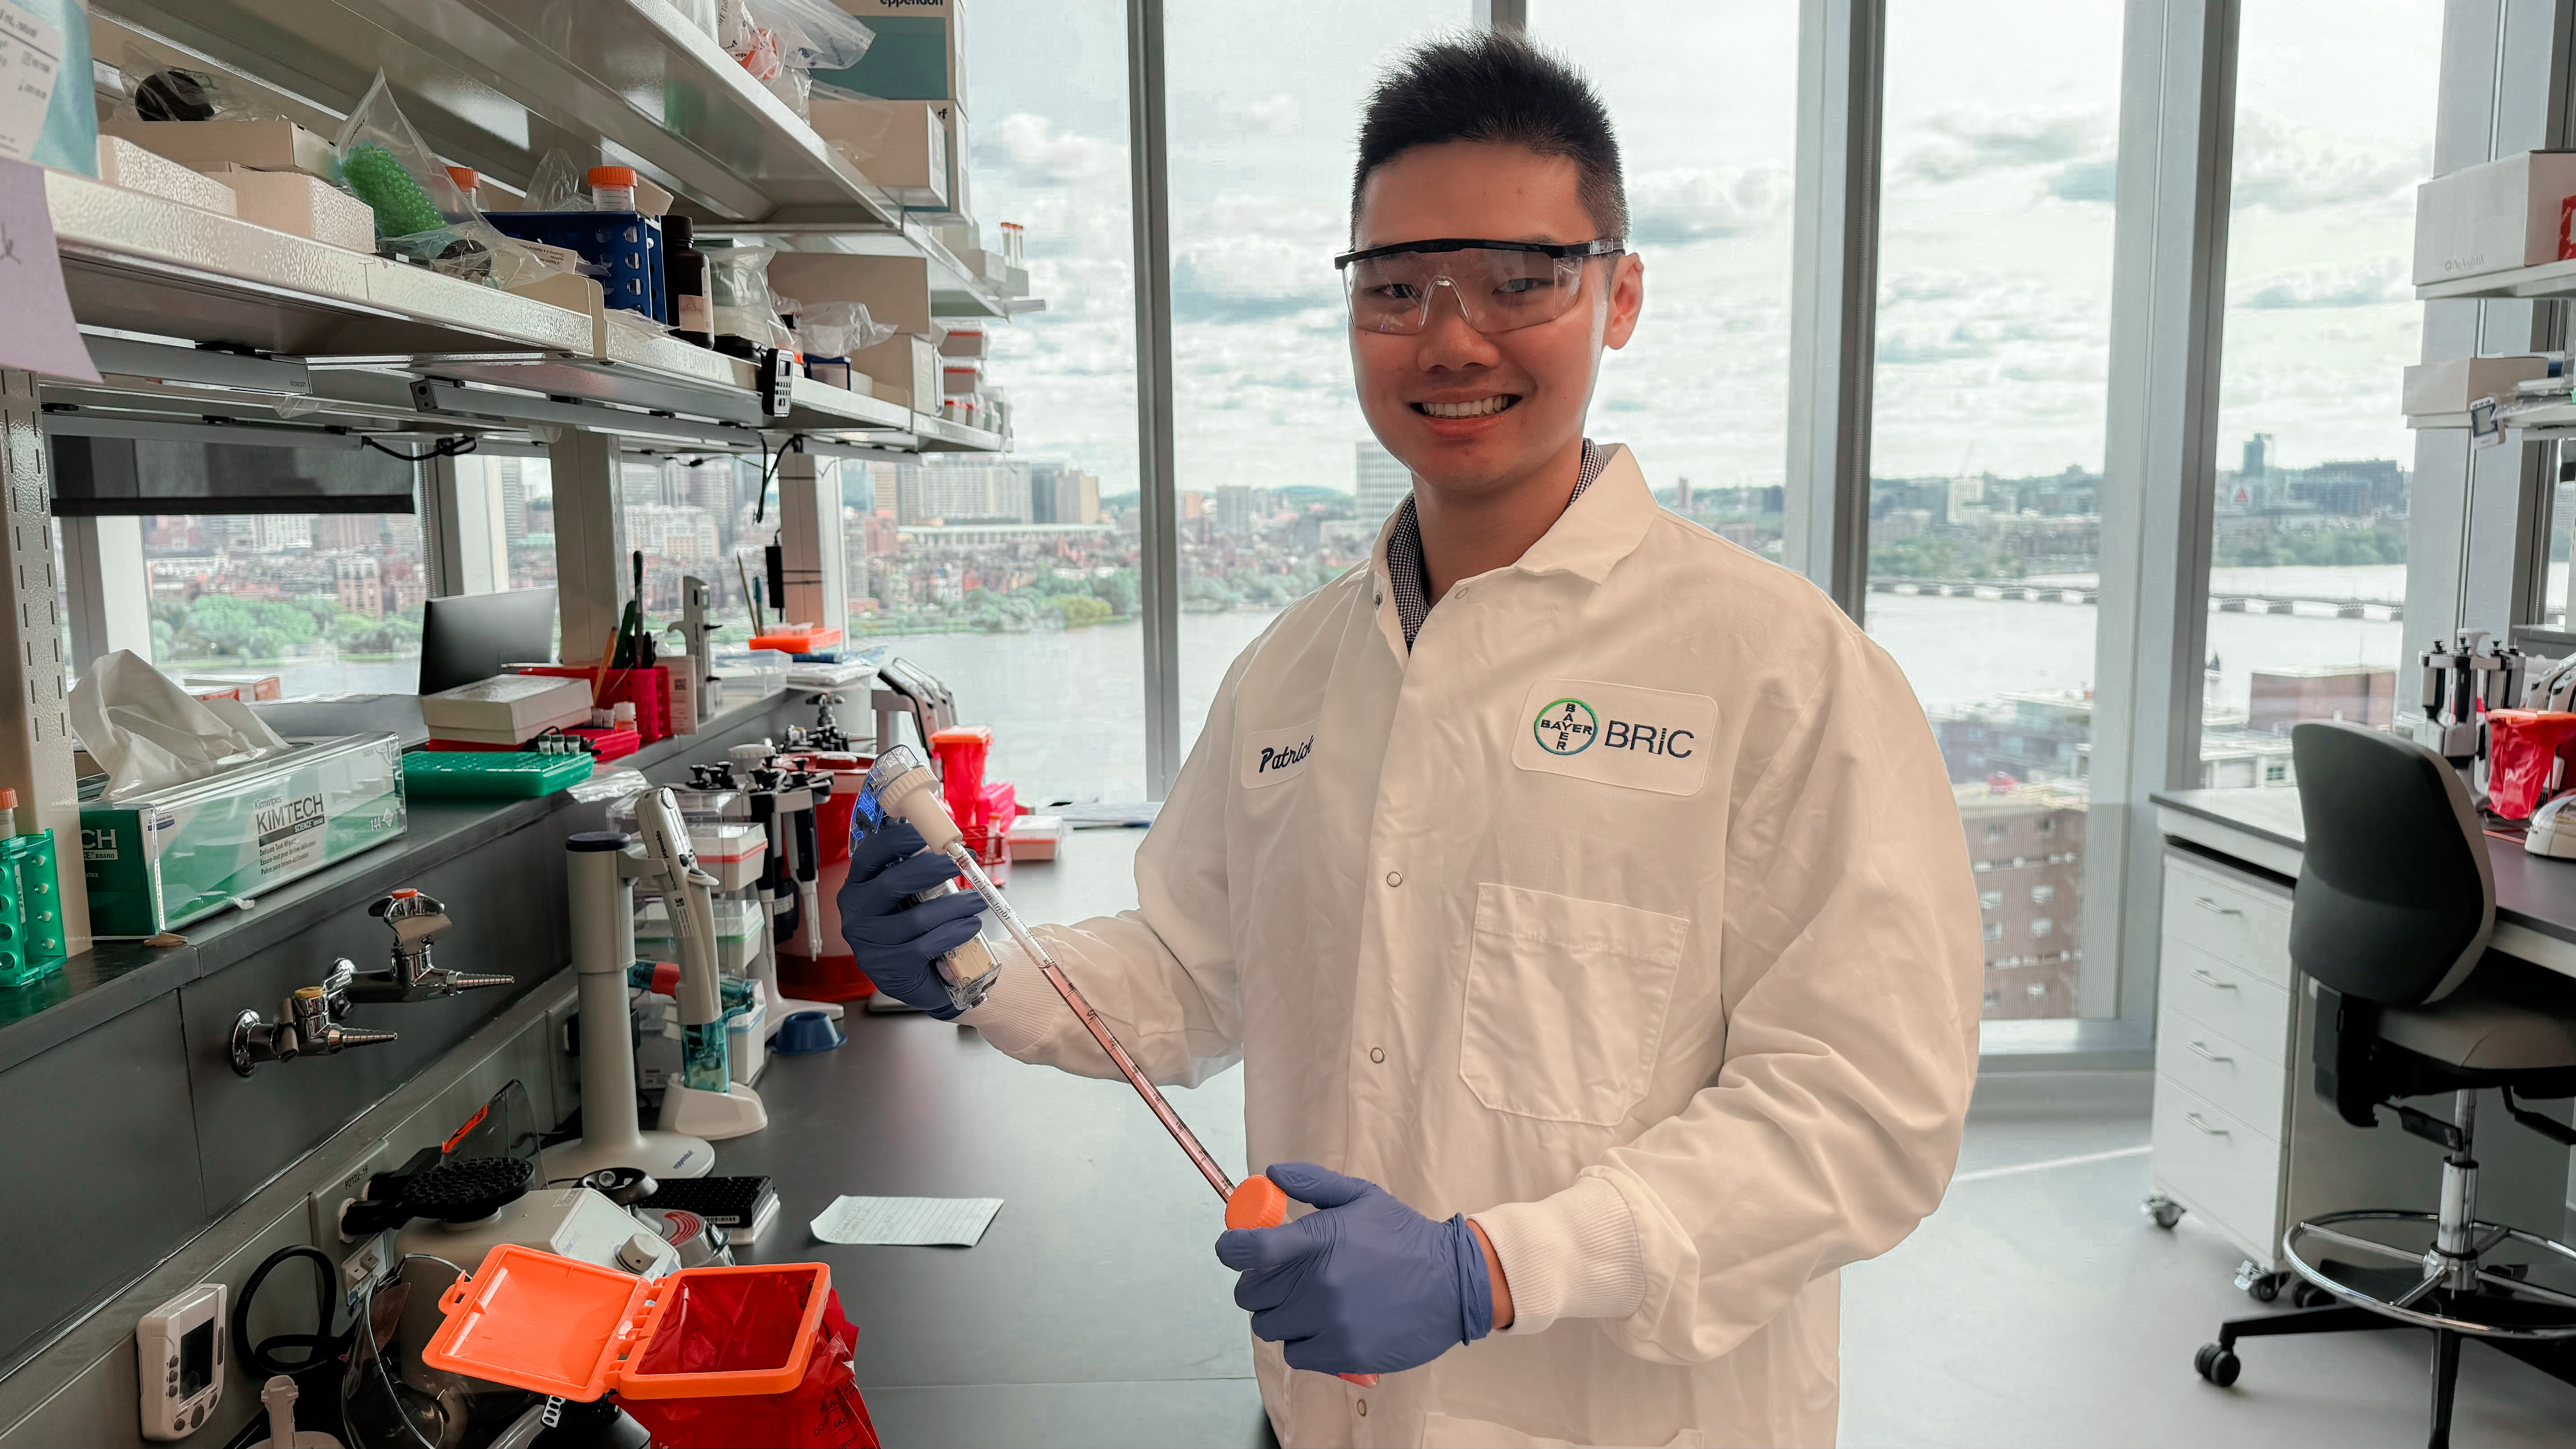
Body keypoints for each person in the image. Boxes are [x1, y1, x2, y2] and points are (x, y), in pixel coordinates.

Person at [838, 30, 1982, 1449]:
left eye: (1521, 281)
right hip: (1333, 1417)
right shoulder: (1296, 670)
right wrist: (968, 961)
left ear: (1619, 296)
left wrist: (1491, 1271)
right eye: (1396, 289)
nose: (1451, 337)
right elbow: (1194, 970)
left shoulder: (1786, 676)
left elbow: (1863, 1115)